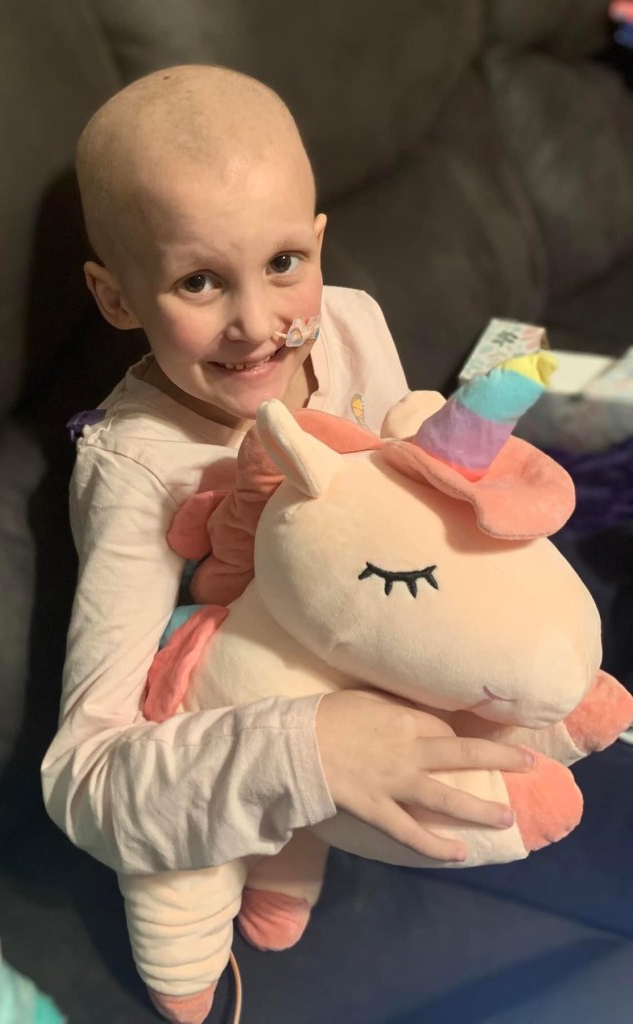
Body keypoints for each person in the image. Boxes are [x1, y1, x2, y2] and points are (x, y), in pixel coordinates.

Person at [41, 61, 533, 974]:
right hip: (254, 717)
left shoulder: (351, 324)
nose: (258, 323)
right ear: (116, 298)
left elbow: (400, 506)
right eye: (199, 281)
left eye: (282, 264)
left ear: (318, 242)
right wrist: (307, 753)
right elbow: (85, 774)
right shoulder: (135, 469)